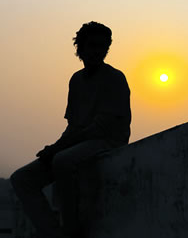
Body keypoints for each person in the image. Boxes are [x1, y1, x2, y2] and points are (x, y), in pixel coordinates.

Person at [10, 21, 131, 238]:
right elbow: (73, 126)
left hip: (108, 141)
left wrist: (58, 149)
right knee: (21, 179)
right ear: (80, 47)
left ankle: (71, 229)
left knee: (62, 160)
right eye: (92, 45)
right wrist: (55, 146)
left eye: (103, 47)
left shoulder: (114, 78)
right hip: (78, 143)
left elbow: (101, 127)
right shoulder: (76, 80)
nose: (97, 51)